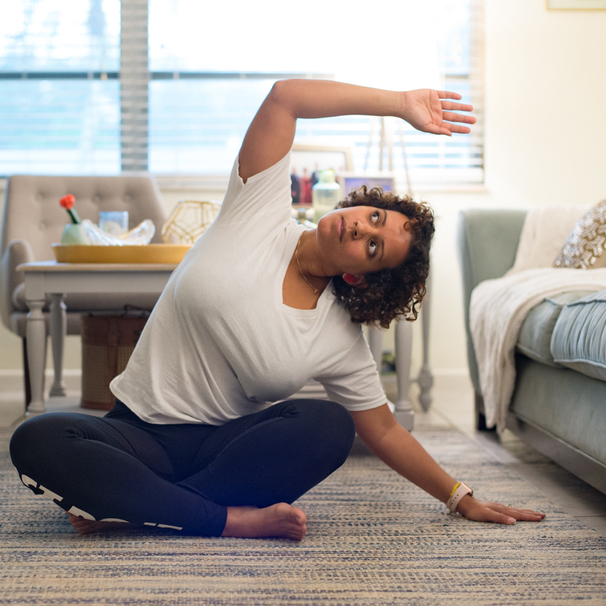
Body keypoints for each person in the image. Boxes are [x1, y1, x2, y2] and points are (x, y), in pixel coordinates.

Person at [9, 79, 545, 540]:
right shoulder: (258, 208)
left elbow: (384, 431)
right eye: (376, 218)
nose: (362, 228)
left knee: (330, 425)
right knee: (37, 438)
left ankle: (145, 506)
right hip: (135, 433)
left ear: (360, 275)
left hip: (222, 453)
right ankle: (218, 519)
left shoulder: (337, 334)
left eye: (373, 247)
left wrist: (459, 497)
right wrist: (401, 104)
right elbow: (285, 98)